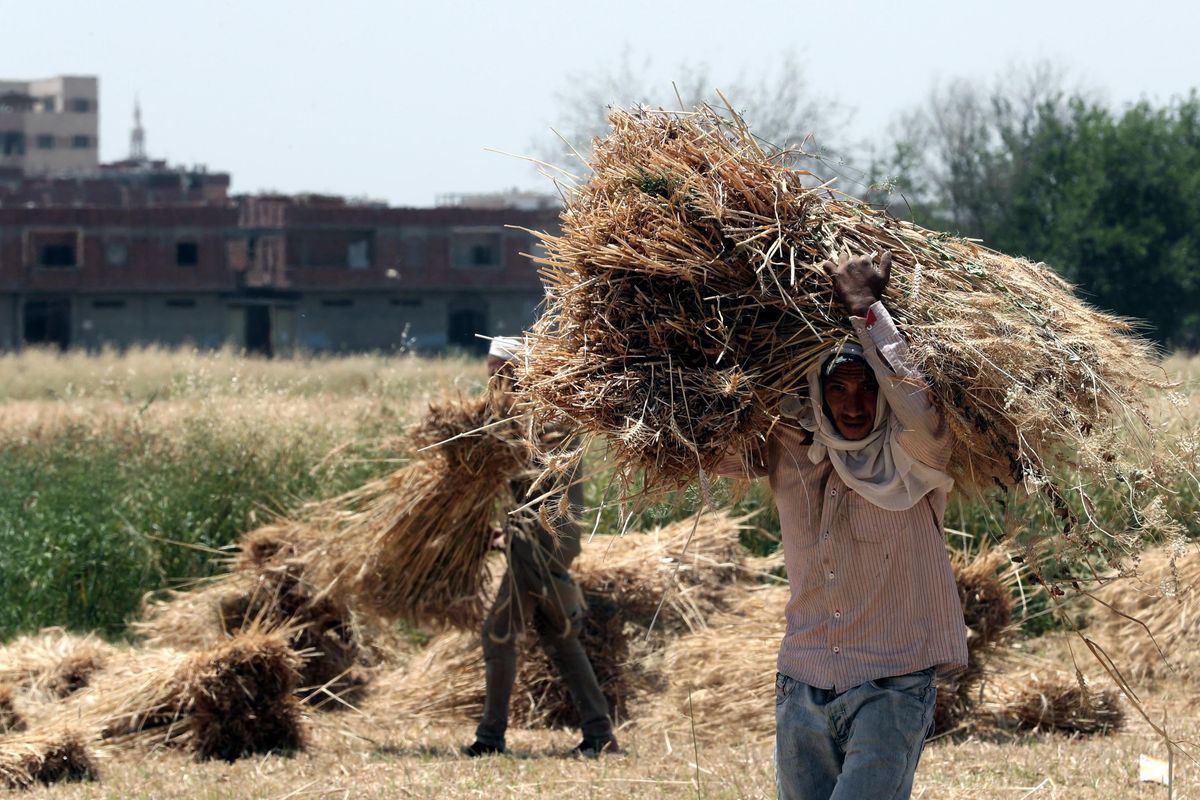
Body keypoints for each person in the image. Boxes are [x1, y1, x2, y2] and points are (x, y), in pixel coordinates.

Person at [718, 252, 967, 799]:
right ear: (817, 392)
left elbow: (913, 395)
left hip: (893, 682)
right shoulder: (785, 444)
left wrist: (866, 310)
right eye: (837, 388)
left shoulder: (917, 453)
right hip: (803, 679)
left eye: (866, 388)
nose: (853, 404)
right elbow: (703, 444)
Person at [463, 336, 619, 758]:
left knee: (498, 636)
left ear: (518, 373)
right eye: (490, 373)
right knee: (559, 637)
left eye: (499, 374)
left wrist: (479, 445)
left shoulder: (549, 419)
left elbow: (536, 472)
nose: (493, 383)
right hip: (529, 540)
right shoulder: (517, 417)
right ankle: (600, 733)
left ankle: (491, 738)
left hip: (542, 543)